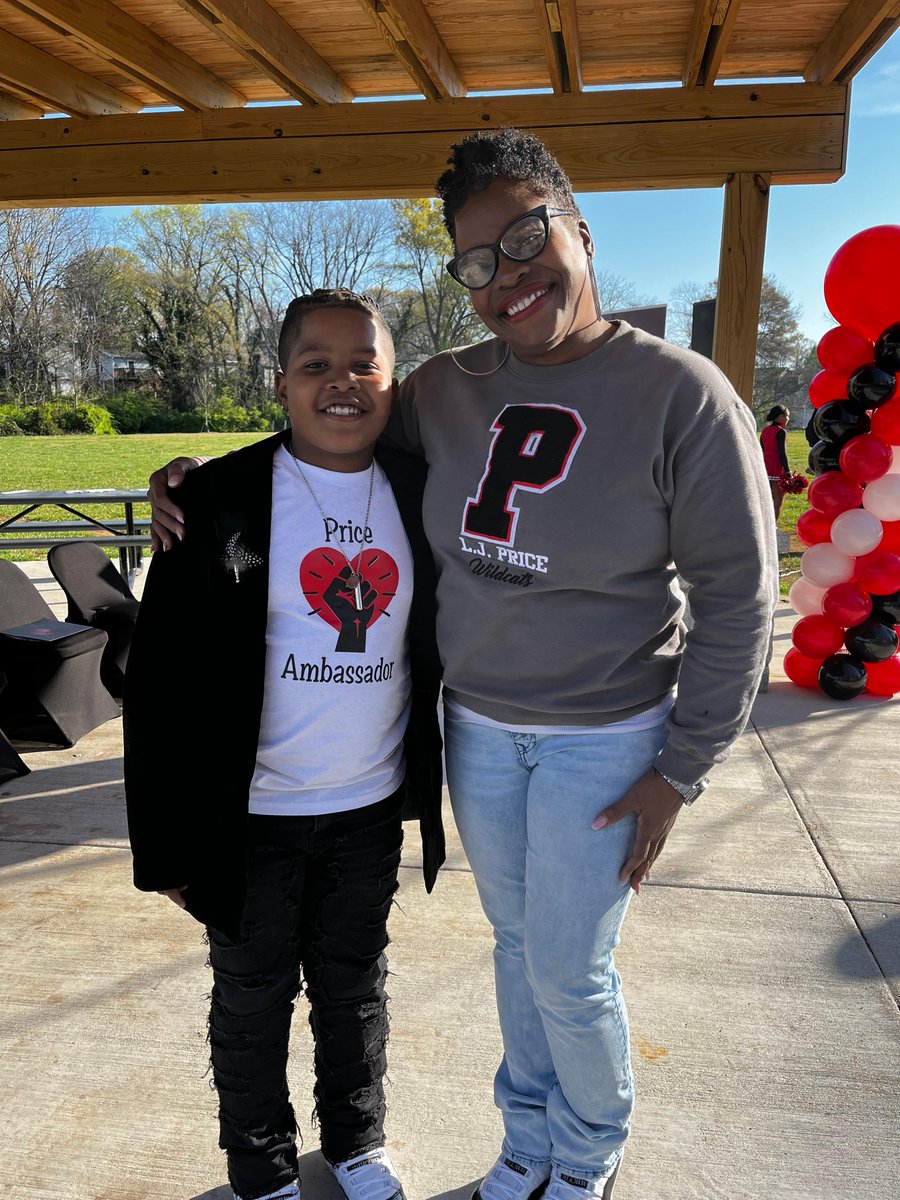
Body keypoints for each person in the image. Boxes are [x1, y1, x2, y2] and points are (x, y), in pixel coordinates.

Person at [146, 130, 778, 1200]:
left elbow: (741, 600)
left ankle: (587, 1152)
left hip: (607, 738)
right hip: (478, 731)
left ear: (580, 230)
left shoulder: (683, 392)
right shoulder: (445, 387)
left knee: (571, 972)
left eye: (528, 237)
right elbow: (331, 428)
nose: (508, 274)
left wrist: (682, 767)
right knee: (518, 948)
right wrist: (206, 482)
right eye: (478, 261)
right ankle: (525, 1138)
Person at [124, 289, 444, 1200]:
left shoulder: (423, 489)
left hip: (369, 810)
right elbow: (160, 688)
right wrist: (166, 845)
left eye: (363, 364)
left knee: (354, 990)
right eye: (316, 365)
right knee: (252, 1002)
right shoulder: (216, 497)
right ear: (280, 384)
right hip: (248, 820)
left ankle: (357, 1143)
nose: (341, 383)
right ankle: (261, 1167)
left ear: (392, 381)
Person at [759, 403, 792, 518]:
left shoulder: (765, 431)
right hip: (777, 467)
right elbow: (782, 454)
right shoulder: (781, 431)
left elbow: (761, 450)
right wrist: (788, 473)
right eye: (787, 416)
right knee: (777, 503)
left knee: (766, 500)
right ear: (780, 417)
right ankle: (773, 529)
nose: (788, 419)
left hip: (765, 467)